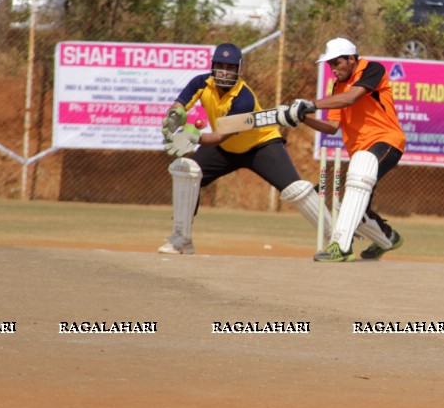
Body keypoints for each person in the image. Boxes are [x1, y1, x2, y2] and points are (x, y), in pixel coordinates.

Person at [158, 42, 330, 254]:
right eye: (220, 65)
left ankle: (336, 238)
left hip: (260, 144)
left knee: (296, 190)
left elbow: (219, 136)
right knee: (187, 172)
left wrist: (193, 137)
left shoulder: (243, 99)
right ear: (212, 66)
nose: (224, 72)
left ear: (239, 69)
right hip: (224, 149)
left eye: (230, 67)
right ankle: (182, 239)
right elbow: (178, 106)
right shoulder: (200, 83)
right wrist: (174, 118)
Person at [282, 37, 405, 262]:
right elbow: (331, 127)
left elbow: (350, 98)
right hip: (360, 153)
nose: (333, 69)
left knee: (355, 187)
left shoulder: (372, 69)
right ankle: (388, 239)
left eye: (337, 63)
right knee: (358, 212)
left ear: (351, 59)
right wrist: (303, 117)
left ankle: (341, 247)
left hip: (387, 142)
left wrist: (310, 104)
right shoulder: (338, 86)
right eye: (329, 65)